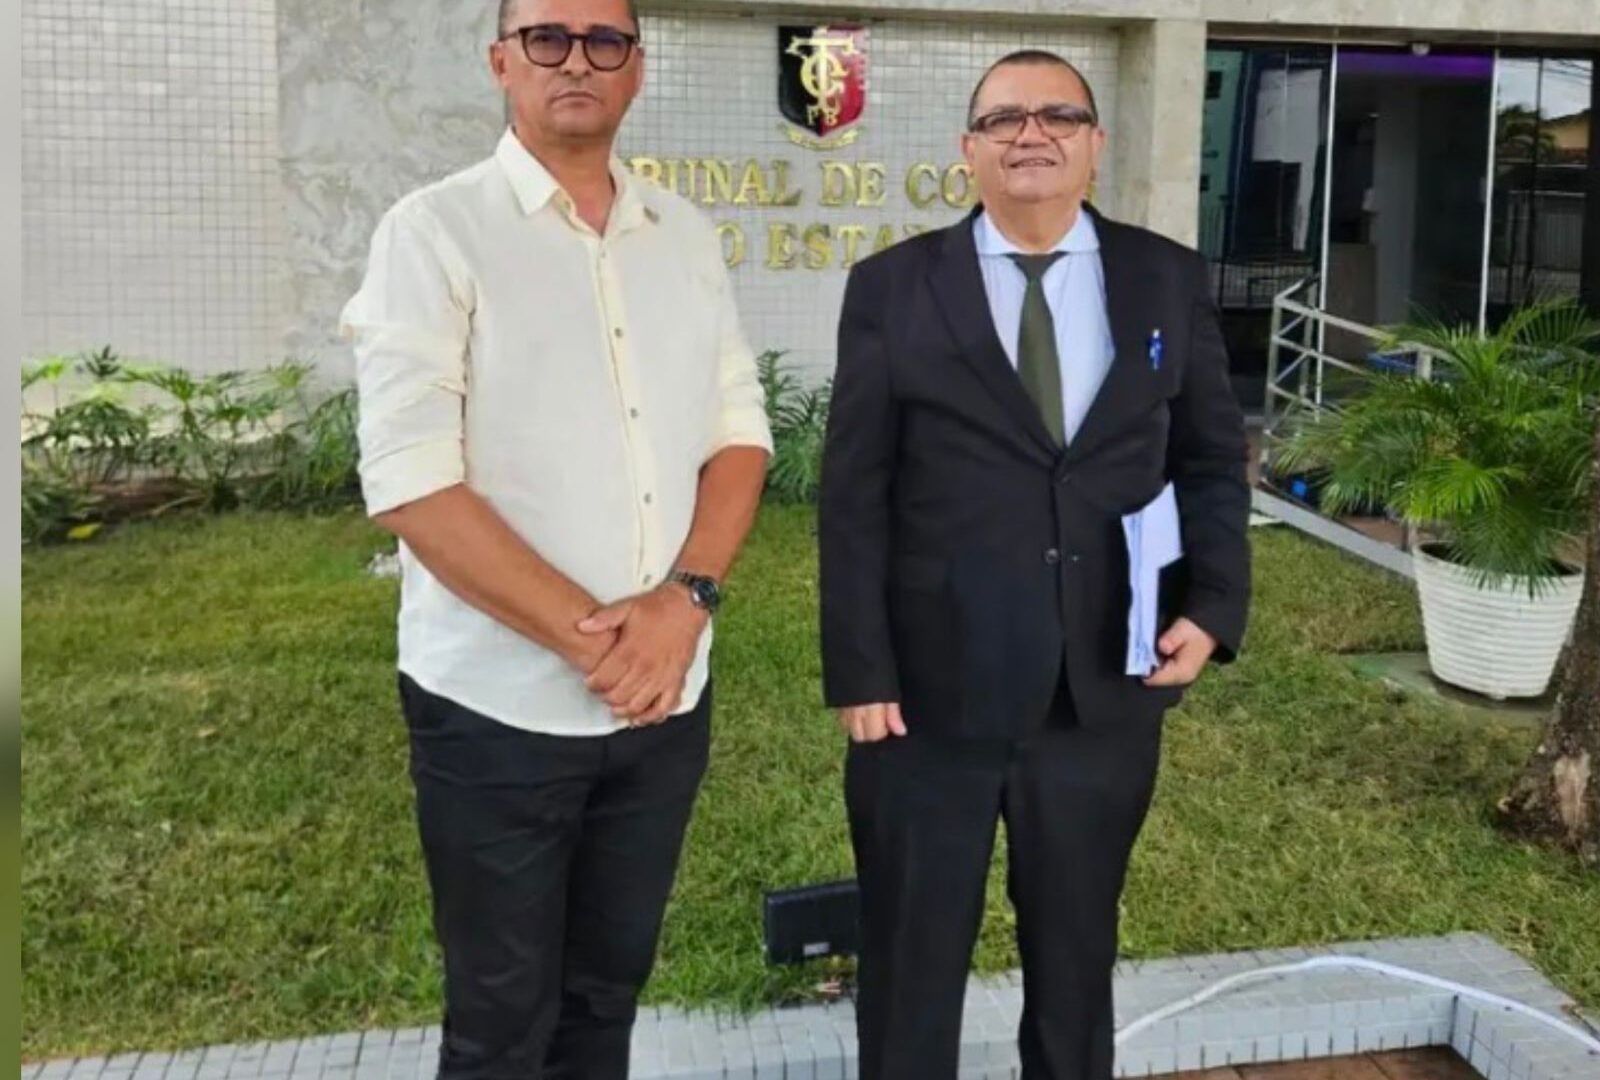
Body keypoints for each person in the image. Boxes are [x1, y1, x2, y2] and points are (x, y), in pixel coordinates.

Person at [340, 0, 771, 1076]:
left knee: (605, 999)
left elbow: (738, 435)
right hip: (497, 711)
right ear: (502, 61)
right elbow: (412, 483)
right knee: (499, 1023)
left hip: (665, 702)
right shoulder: (433, 233)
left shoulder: (684, 235)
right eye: (547, 38)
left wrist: (684, 604)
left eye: (604, 41)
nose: (576, 59)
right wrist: (606, 644)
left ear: (636, 68)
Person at [818, 49, 1251, 1080]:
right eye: (1003, 118)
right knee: (911, 957)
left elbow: (1207, 459)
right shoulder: (892, 287)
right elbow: (854, 492)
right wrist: (860, 668)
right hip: (927, 699)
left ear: (1095, 145)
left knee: (1076, 956)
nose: (1031, 134)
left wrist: (1214, 605)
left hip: (1101, 685)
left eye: (1058, 115)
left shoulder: (1165, 277)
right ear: (967, 150)